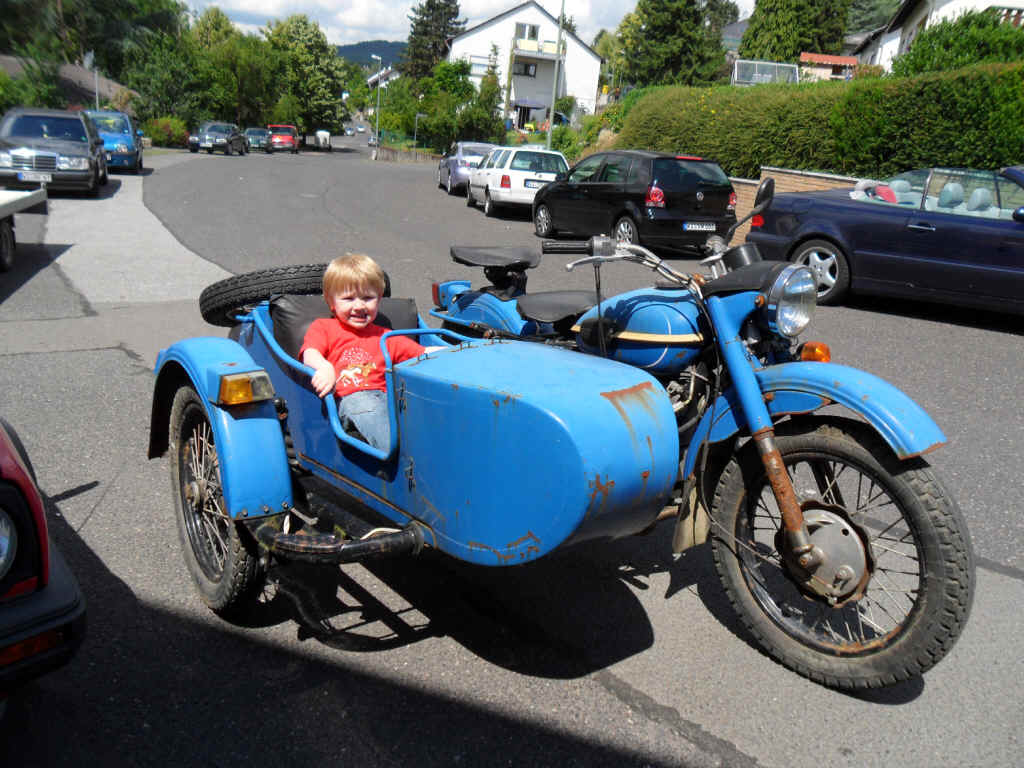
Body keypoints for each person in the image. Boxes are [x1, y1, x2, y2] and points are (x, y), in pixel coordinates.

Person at [300, 253, 440, 450]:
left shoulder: (386, 337)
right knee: (367, 406)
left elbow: (424, 353)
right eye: (348, 298)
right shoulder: (324, 327)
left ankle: (431, 448)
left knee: (420, 406)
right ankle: (407, 455)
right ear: (331, 302)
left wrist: (459, 351)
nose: (359, 306)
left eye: (367, 298)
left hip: (388, 399)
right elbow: (310, 353)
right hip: (349, 398)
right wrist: (324, 367)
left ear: (379, 299)